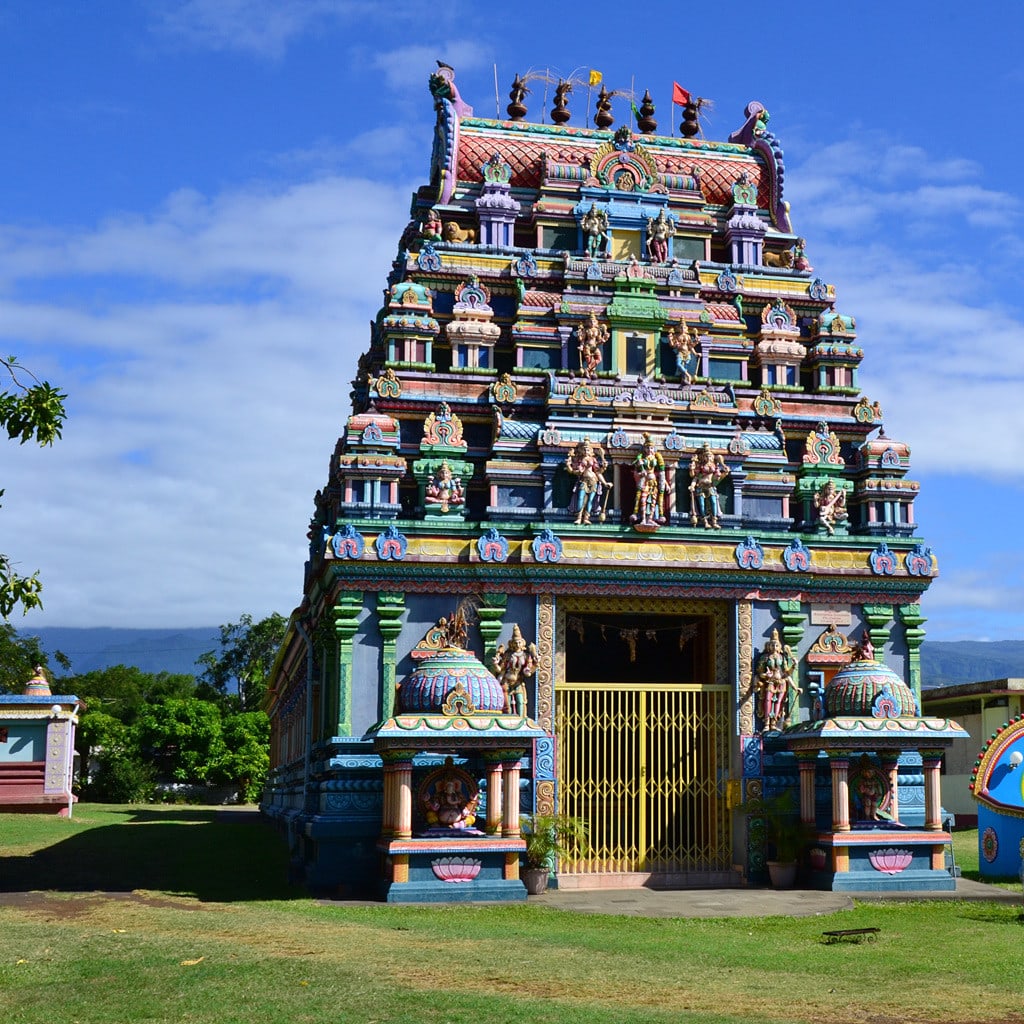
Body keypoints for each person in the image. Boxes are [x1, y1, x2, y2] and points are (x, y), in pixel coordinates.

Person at [755, 629, 798, 732]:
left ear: (779, 647)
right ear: (769, 646)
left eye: (776, 645)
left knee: (778, 702)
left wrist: (794, 666)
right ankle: (766, 723)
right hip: (770, 682)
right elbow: (760, 672)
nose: (774, 647)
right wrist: (766, 675)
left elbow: (787, 673)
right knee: (768, 700)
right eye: (773, 645)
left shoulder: (782, 658)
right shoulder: (765, 658)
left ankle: (774, 722)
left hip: (781, 683)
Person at [492, 624, 539, 715]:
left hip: (518, 682)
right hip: (506, 681)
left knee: (520, 701)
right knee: (507, 704)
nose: (517, 645)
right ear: (512, 643)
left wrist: (535, 665)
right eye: (515, 642)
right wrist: (495, 664)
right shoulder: (508, 655)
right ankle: (508, 719)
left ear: (522, 643)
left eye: (519, 642)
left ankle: (521, 719)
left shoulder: (526, 656)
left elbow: (527, 672)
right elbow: (500, 669)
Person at [565, 438, 611, 525]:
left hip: (593, 481)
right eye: (584, 449)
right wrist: (568, 465)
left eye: (588, 449)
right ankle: (578, 517)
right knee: (580, 498)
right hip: (583, 481)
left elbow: (598, 472)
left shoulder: (593, 460)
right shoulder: (579, 460)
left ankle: (586, 518)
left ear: (590, 450)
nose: (586, 450)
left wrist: (605, 482)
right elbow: (573, 471)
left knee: (590, 500)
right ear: (582, 450)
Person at [688, 441, 729, 528]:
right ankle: (705, 521)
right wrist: (692, 485)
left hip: (711, 487)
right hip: (701, 487)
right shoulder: (700, 466)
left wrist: (724, 472)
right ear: (703, 457)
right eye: (706, 456)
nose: (708, 457)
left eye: (709, 455)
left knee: (714, 502)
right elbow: (695, 477)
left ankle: (714, 521)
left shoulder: (714, 466)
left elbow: (718, 477)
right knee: (702, 504)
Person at [631, 433, 667, 527]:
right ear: (644, 449)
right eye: (647, 448)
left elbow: (660, 472)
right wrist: (640, 473)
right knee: (643, 500)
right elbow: (635, 472)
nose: (649, 450)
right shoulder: (641, 460)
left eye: (651, 448)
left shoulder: (656, 458)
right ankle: (643, 519)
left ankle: (650, 519)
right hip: (644, 482)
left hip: (653, 484)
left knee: (652, 502)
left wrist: (665, 483)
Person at [576, 311, 608, 378]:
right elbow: (582, 339)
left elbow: (599, 341)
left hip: (594, 346)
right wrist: (581, 345)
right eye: (590, 321)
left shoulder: (597, 331)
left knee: (599, 358)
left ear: (596, 322)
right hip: (587, 346)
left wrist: (603, 339)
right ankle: (590, 371)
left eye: (593, 321)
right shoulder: (586, 330)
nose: (592, 323)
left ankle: (587, 369)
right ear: (588, 322)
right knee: (589, 360)